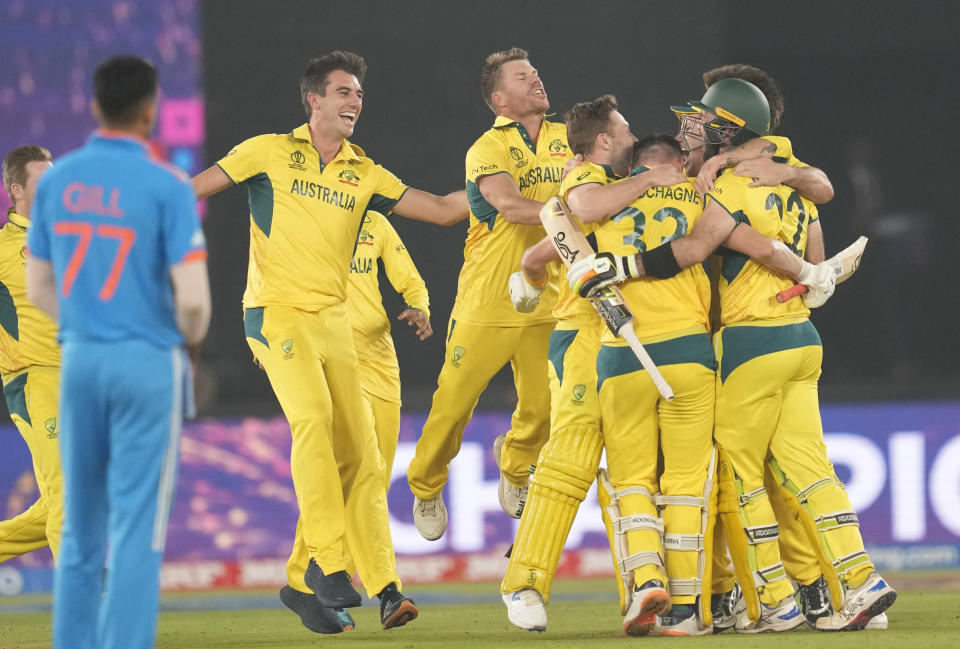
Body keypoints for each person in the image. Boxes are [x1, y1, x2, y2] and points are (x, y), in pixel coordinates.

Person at [570, 78, 896, 633]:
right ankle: (862, 580)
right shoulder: (790, 178)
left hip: (750, 340)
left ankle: (776, 600)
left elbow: (698, 248)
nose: (690, 129)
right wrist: (809, 267)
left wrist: (618, 268)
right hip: (801, 339)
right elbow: (817, 249)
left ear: (727, 128)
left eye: (701, 121)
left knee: (735, 475)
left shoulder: (725, 186)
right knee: (810, 468)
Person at [192, 50, 464, 632]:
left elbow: (441, 210)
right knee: (313, 419)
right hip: (274, 315)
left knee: (363, 455)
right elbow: (193, 188)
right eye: (343, 92)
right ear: (313, 99)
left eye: (360, 94)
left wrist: (511, 196)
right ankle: (329, 568)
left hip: (332, 321)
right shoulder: (267, 151)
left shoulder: (364, 172)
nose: (355, 102)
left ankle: (315, 583)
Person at [26, 55, 211, 649]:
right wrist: (174, 341)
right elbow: (193, 304)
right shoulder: (167, 185)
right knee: (135, 530)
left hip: (78, 360)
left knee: (79, 526)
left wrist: (87, 326)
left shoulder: (55, 181)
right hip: (146, 362)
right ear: (150, 109)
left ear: (94, 104)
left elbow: (37, 289)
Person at [500, 97, 686, 634]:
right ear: (603, 140)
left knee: (635, 471)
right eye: (624, 128)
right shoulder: (587, 177)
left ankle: (642, 589)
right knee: (571, 459)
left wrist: (530, 269)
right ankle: (525, 583)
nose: (633, 135)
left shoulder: (620, 179)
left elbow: (547, 244)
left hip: (636, 334)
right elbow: (580, 209)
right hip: (583, 333)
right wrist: (651, 180)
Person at [407, 48, 573, 540]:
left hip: (549, 298)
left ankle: (516, 468)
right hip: (487, 302)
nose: (537, 80)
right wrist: (576, 209)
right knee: (453, 407)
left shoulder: (569, 140)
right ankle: (425, 484)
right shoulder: (487, 147)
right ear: (500, 98)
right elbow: (507, 204)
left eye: (537, 73)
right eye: (524, 77)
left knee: (543, 411)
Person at [0, 146, 61, 565]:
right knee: (68, 494)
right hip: (36, 379)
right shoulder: (4, 247)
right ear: (17, 190)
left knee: (74, 498)